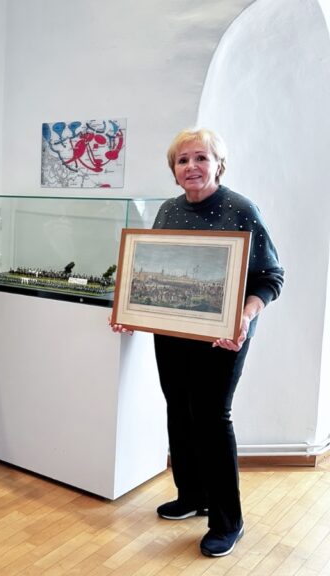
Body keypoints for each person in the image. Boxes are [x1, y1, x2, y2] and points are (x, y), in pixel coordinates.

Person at [112, 128, 283, 557]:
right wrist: (131, 311)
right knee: (178, 410)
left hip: (223, 338)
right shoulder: (168, 210)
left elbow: (270, 277)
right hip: (172, 334)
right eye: (183, 160)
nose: (191, 166)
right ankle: (191, 495)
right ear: (173, 170)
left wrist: (245, 316)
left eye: (201, 158)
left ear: (219, 164)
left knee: (211, 418)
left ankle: (228, 521)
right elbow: (150, 268)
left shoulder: (241, 209)